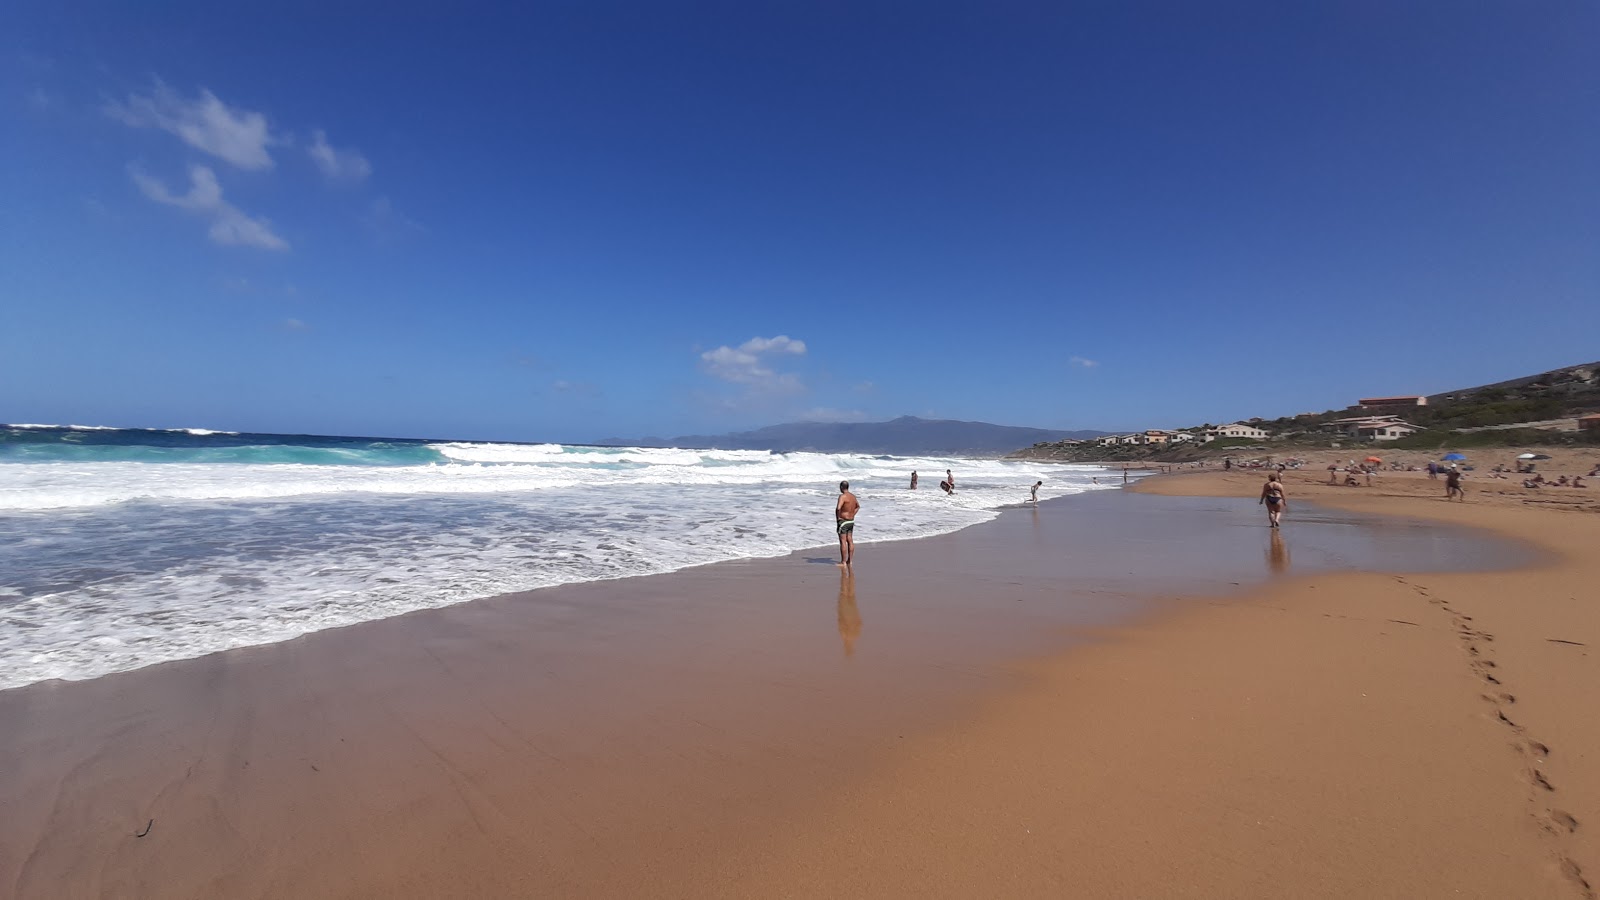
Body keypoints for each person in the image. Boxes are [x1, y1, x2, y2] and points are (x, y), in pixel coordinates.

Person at [835, 480, 859, 567]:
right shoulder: (853, 496)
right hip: (851, 521)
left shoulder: (842, 496)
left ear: (841, 487)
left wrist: (838, 518)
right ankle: (850, 561)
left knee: (843, 541)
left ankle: (843, 562)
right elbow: (858, 506)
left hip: (844, 521)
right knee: (850, 540)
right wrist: (853, 514)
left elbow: (838, 508)